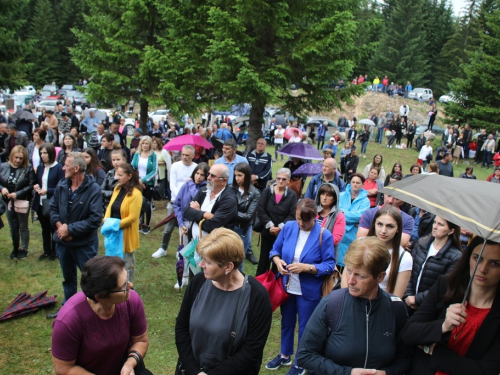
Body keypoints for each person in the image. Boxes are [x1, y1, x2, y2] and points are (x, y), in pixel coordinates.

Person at [296, 237, 412, 375]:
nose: (350, 281)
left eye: (360, 276)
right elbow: (305, 355)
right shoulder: (331, 304)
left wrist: (387, 373)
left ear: (380, 277)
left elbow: (406, 358)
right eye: (349, 271)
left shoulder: (396, 309)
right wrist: (347, 372)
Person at [175, 228, 272, 375]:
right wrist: (193, 370)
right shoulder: (198, 283)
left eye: (207, 262)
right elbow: (181, 327)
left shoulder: (256, 296)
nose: (201, 265)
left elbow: (252, 350)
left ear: (228, 267)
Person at [401, 236, 500, 374]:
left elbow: (486, 370)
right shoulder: (446, 286)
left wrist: (434, 351)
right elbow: (408, 333)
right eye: (477, 258)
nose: (482, 269)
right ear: (468, 258)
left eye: (494, 263)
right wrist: (443, 326)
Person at [266, 199, 336, 375]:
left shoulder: (324, 234)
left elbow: (329, 264)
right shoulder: (289, 227)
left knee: (305, 327)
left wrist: (307, 268)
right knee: (287, 322)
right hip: (287, 286)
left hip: (309, 290)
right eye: (298, 219)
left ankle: (301, 361)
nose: (301, 224)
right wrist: (277, 261)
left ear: (315, 217)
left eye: (306, 221)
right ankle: (284, 355)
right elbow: (274, 249)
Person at [51, 256, 149, 375]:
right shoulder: (68, 321)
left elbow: (141, 340)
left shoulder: (132, 300)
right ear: (101, 297)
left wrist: (129, 364)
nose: (130, 285)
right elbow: (64, 369)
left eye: (127, 279)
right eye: (123, 287)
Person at [48, 152, 103, 318]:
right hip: (63, 242)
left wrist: (70, 230)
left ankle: (95, 311)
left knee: (90, 279)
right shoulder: (62, 185)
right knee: (68, 278)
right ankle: (68, 310)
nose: (63, 167)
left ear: (76, 168)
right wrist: (61, 228)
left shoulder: (93, 189)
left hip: (84, 245)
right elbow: (53, 208)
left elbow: (95, 220)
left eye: (66, 165)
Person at [404, 216, 462, 314]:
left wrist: (417, 299)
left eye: (440, 224)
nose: (435, 226)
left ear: (451, 231)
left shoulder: (455, 257)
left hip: (430, 307)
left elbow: (444, 286)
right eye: (434, 222)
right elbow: (409, 270)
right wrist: (408, 295)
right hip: (407, 301)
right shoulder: (421, 243)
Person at [103, 163, 143, 282]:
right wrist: (106, 220)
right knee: (111, 262)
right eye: (116, 174)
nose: (117, 177)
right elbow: (110, 206)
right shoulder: (117, 188)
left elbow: (132, 218)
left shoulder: (136, 194)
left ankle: (128, 287)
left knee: (126, 263)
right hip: (113, 232)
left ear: (129, 176)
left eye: (120, 175)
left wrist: (113, 226)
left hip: (125, 234)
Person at [255, 168, 298, 276]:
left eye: (284, 179)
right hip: (267, 232)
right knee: (263, 260)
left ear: (288, 181)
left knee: (278, 261)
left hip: (282, 234)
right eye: (278, 178)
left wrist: (280, 228)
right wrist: (270, 226)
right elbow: (260, 209)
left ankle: (274, 286)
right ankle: (259, 284)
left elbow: (292, 214)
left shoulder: (292, 195)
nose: (280, 181)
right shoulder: (267, 191)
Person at [364, 205, 412, 298]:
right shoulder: (361, 243)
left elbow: (396, 297)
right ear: (374, 224)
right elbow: (346, 278)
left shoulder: (404, 258)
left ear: (398, 228)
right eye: (380, 224)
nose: (383, 230)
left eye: (390, 226)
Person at [183, 164, 238, 239]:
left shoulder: (229, 200)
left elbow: (212, 226)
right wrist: (204, 214)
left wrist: (196, 213)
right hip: (195, 244)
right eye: (208, 174)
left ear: (224, 180)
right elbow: (186, 211)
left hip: (215, 247)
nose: (208, 178)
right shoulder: (204, 190)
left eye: (213, 176)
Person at [0, 145, 35, 259]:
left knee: (23, 225)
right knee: (12, 225)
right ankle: (15, 247)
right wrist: (2, 188)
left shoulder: (28, 167)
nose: (18, 160)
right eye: (16, 157)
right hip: (7, 200)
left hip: (22, 199)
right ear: (11, 156)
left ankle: (24, 248)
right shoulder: (3, 166)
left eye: (21, 158)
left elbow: (31, 185)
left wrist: (17, 194)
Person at [33, 143, 65, 261]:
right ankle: (46, 250)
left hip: (52, 203)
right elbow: (38, 181)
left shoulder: (58, 168)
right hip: (41, 202)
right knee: (44, 228)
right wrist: (36, 186)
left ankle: (54, 251)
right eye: (41, 153)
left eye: (45, 153)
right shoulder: (41, 167)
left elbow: (61, 187)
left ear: (51, 153)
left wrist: (48, 190)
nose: (43, 156)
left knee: (53, 228)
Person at [337, 173, 370, 269]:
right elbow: (336, 211)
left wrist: (342, 214)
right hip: (339, 231)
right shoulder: (341, 195)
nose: (355, 184)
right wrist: (352, 219)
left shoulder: (365, 201)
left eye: (358, 183)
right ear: (350, 183)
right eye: (353, 182)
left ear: (362, 184)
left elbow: (361, 216)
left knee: (348, 263)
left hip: (352, 235)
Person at [233, 163, 261, 268]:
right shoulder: (232, 189)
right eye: (235, 175)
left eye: (240, 175)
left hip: (242, 229)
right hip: (229, 226)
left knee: (238, 258)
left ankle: (238, 283)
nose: (237, 178)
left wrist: (231, 212)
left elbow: (248, 216)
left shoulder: (255, 193)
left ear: (247, 175)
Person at [131, 136, 157, 234]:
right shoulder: (137, 154)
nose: (145, 145)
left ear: (150, 145)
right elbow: (132, 167)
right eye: (143, 143)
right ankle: (139, 223)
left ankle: (147, 224)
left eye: (147, 143)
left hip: (148, 183)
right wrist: (138, 180)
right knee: (138, 203)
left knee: (147, 204)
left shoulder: (153, 155)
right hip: (137, 182)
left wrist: (144, 180)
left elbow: (154, 170)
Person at [314, 183, 346, 248]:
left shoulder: (339, 215)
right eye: (322, 194)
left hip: (326, 251)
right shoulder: (312, 210)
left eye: (328, 195)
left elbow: (336, 238)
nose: (324, 198)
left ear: (334, 198)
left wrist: (317, 242)